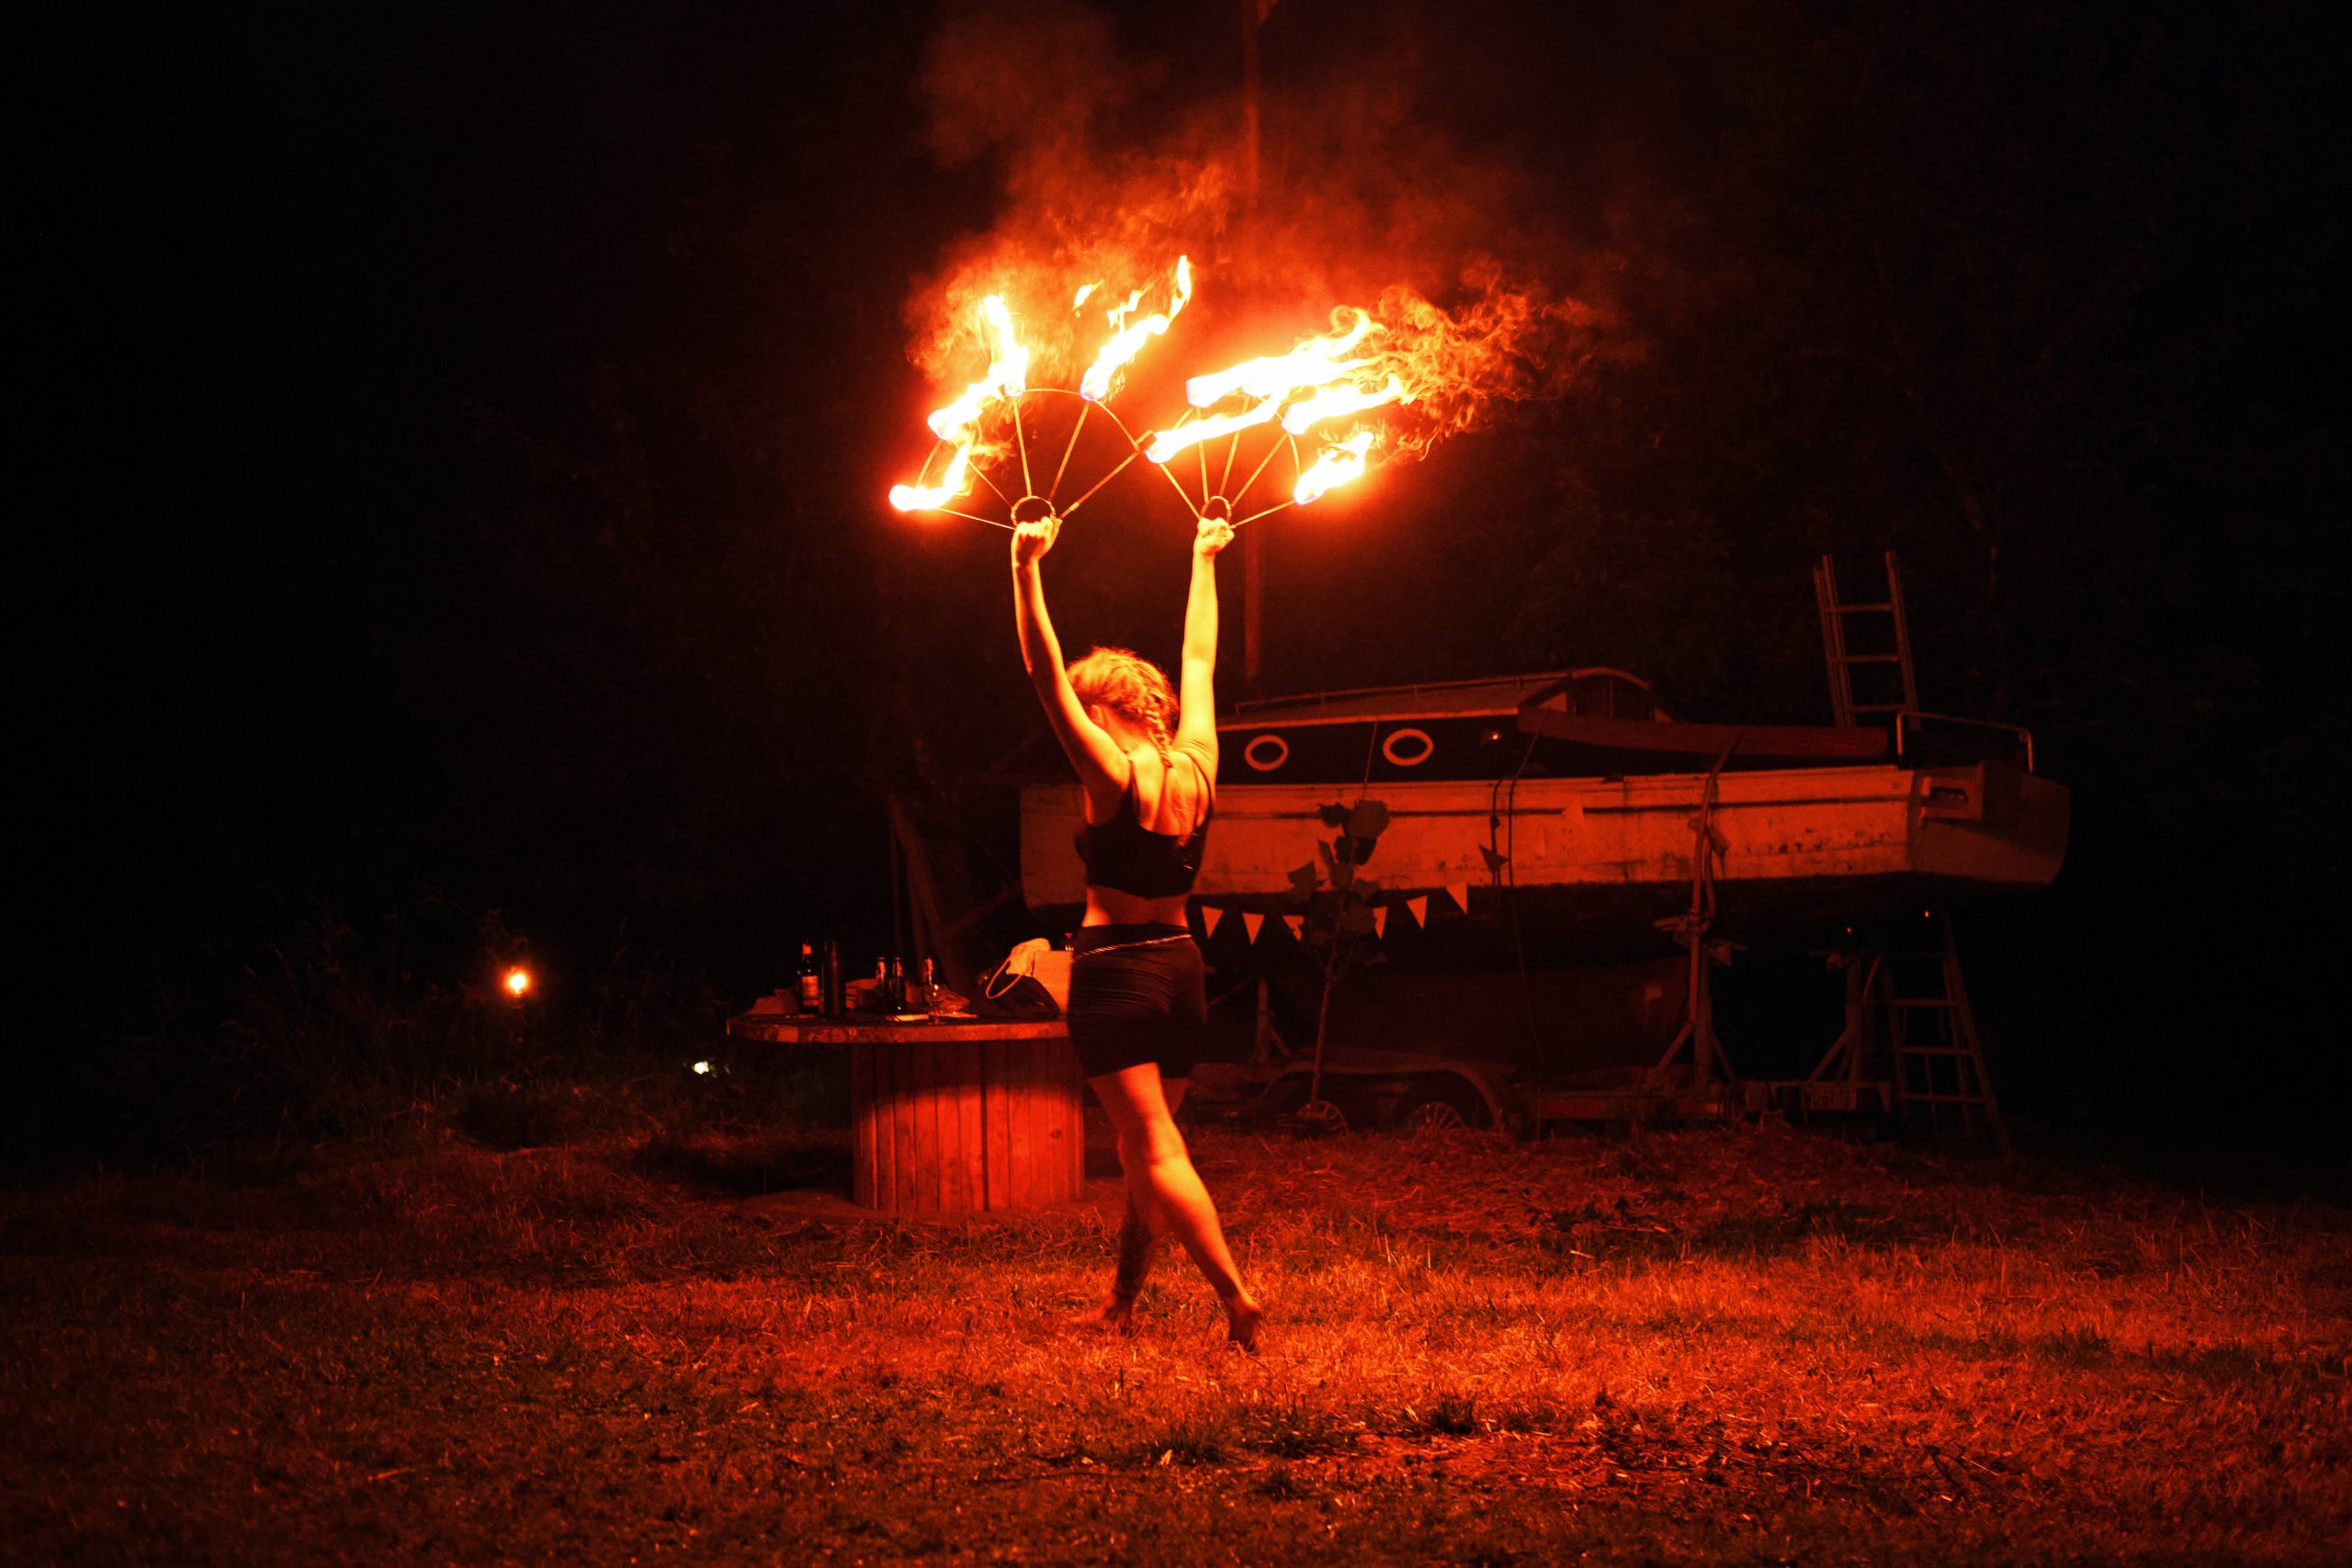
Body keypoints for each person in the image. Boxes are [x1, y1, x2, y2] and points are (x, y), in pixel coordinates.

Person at [1010, 510, 1264, 1350]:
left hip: (1116, 969)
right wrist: (1202, 558)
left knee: (1152, 1143)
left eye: (1083, 708)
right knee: (1144, 1153)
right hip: (1183, 968)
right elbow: (1200, 658)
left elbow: (1044, 675)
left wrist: (1024, 569)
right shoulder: (1198, 760)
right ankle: (1121, 1302)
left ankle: (1235, 1293)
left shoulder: (1109, 770)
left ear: (1101, 707)